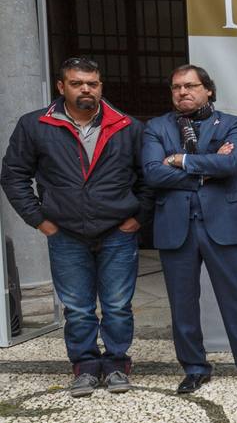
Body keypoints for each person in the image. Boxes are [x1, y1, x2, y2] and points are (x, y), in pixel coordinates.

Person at [1, 56, 150, 396]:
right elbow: (13, 176)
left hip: (117, 231)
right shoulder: (35, 125)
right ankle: (85, 367)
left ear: (100, 86)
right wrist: (40, 220)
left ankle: (116, 364)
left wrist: (136, 219)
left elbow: (149, 179)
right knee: (78, 307)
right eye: (77, 83)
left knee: (117, 305)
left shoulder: (127, 126)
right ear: (61, 86)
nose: (86, 89)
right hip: (65, 232)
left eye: (92, 84)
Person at [142, 64, 237, 394]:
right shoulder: (156, 127)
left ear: (208, 90)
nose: (182, 92)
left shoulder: (231, 123)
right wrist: (206, 170)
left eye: (190, 86)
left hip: (224, 222)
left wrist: (180, 160)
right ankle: (194, 367)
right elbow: (153, 173)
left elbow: (231, 164)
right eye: (176, 87)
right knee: (182, 302)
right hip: (176, 226)